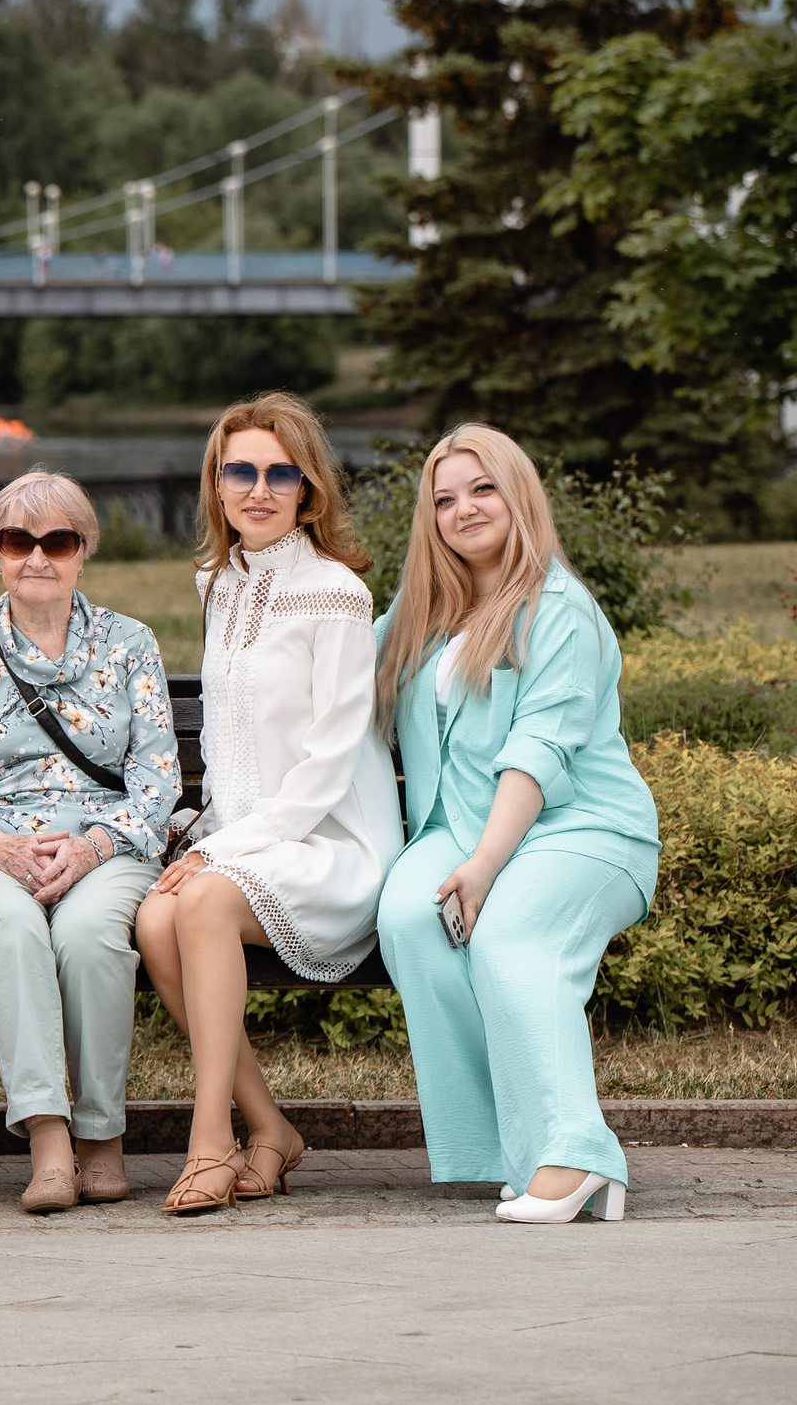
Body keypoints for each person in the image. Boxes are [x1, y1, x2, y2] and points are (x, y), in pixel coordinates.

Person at [374, 427, 658, 1225]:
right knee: (408, 916)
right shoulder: (428, 610)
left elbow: (535, 752)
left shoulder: (558, 607)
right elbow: (340, 676)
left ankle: (578, 1153)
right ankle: (518, 1148)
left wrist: (486, 865)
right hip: (460, 825)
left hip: (582, 829)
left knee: (508, 937)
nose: (463, 509)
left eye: (482, 489)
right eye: (444, 499)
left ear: (519, 494)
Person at [137, 393, 401, 1215]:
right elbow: (227, 735)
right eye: (240, 471)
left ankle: (210, 1138)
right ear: (217, 486)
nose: (259, 489)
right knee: (154, 918)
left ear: (308, 489)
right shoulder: (218, 581)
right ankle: (271, 1128)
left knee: (203, 902)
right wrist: (203, 829)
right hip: (247, 838)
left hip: (330, 839)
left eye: (279, 473)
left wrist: (224, 851)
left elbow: (328, 758)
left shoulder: (336, 594)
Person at [0, 471, 179, 1214]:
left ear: (83, 550)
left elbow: (157, 780)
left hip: (106, 841)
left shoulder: (130, 643)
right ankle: (48, 1138)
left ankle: (102, 1137)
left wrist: (94, 848)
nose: (37, 556)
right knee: (8, 929)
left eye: (56, 541)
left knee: (92, 934)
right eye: (17, 540)